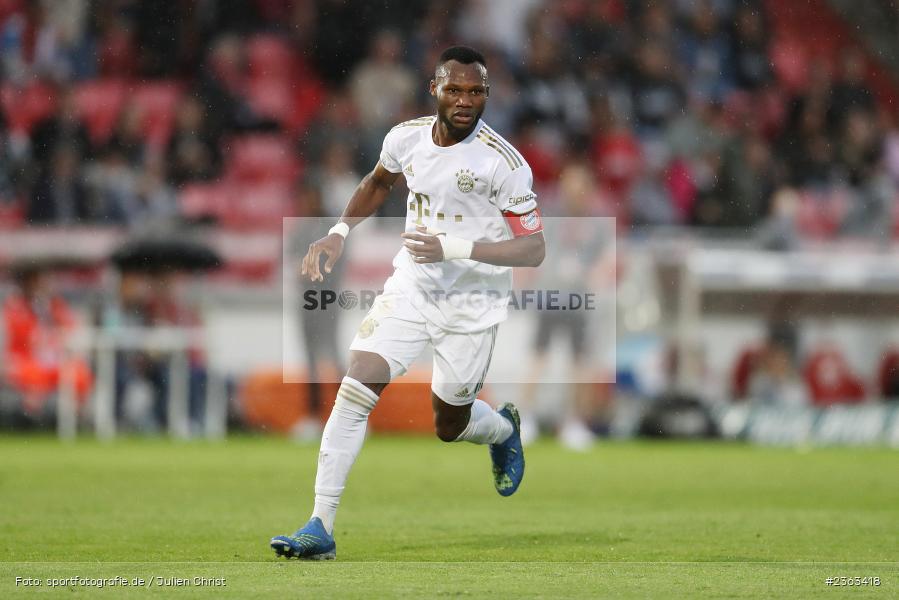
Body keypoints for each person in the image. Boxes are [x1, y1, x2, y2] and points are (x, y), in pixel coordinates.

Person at [271, 46, 545, 560]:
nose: (465, 100)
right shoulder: (406, 138)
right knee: (358, 382)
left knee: (450, 423)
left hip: (472, 302)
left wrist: (455, 247)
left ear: (487, 95)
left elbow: (534, 247)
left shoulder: (503, 163)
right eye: (455, 89)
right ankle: (319, 525)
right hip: (413, 288)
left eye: (476, 91)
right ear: (434, 90)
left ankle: (502, 428)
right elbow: (378, 183)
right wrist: (337, 233)